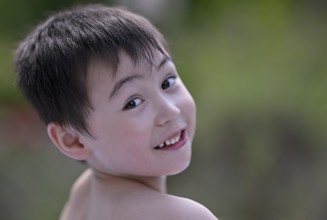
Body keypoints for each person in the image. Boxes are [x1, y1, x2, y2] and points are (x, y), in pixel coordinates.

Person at [14, 4, 218, 220]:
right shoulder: (182, 216)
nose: (170, 110)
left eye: (167, 81)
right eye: (133, 102)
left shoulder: (85, 195)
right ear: (73, 139)